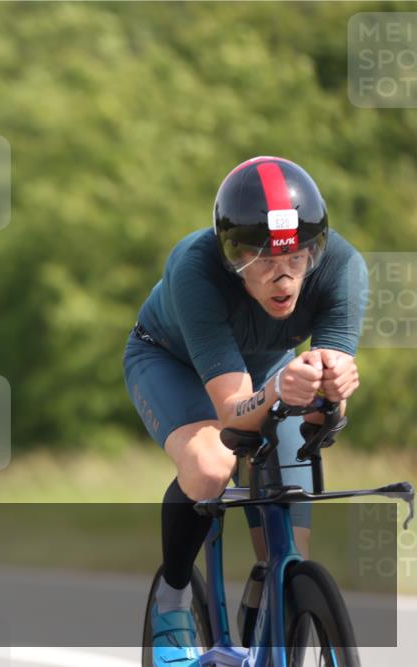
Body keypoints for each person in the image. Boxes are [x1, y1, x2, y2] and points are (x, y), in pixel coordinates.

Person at [123, 157, 366, 666]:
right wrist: (278, 389)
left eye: (297, 256)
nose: (284, 277)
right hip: (173, 362)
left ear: (315, 249)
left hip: (269, 369)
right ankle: (172, 598)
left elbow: (324, 419)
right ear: (233, 256)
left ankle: (263, 612)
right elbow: (234, 414)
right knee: (212, 465)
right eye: (265, 259)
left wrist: (333, 392)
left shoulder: (343, 268)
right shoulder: (196, 269)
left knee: (289, 534)